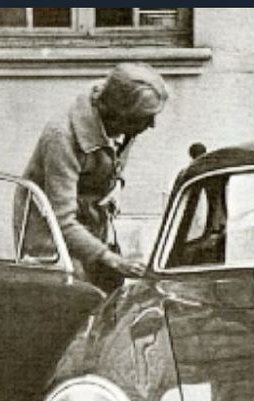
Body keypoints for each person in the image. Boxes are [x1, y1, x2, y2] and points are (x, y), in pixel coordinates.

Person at [20, 62, 168, 289]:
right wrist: (113, 260)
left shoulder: (121, 122)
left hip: (91, 222)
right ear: (120, 114)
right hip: (49, 234)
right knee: (77, 294)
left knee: (111, 288)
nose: (152, 125)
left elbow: (114, 163)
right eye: (145, 117)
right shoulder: (61, 137)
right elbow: (61, 220)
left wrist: (116, 186)